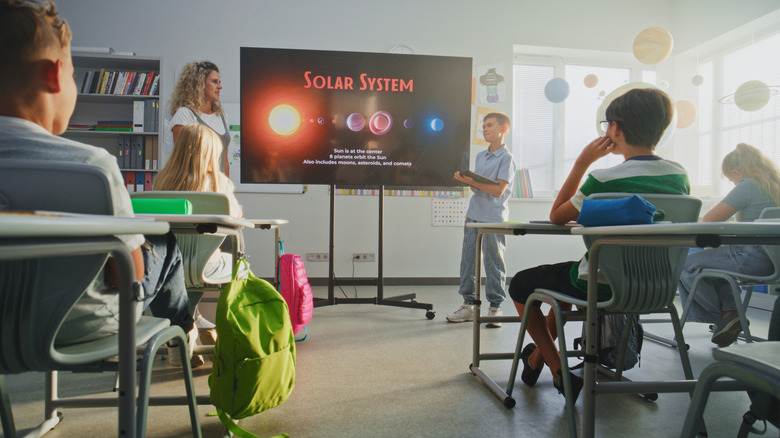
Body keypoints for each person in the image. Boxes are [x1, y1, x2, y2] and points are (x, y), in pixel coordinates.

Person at [0, 0, 196, 362]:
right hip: (78, 326)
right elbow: (129, 276)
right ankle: (185, 332)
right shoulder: (92, 166)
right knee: (164, 245)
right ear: (53, 75)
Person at [508, 88, 689, 402]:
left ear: (615, 128)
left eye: (608, 125)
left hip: (602, 286)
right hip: (655, 287)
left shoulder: (602, 179)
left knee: (523, 283)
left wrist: (581, 162)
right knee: (557, 290)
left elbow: (556, 215)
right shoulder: (679, 176)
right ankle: (536, 357)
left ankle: (557, 369)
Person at [678, 143, 780, 347]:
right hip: (774, 261)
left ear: (736, 172)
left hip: (754, 258)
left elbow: (709, 221)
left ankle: (729, 316)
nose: (733, 183)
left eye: (731, 179)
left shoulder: (749, 185)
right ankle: (729, 313)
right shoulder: (774, 184)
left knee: (686, 265)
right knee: (714, 264)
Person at [447, 112, 517, 327]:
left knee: (493, 262)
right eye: (483, 126)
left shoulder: (507, 158)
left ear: (503, 129)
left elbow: (498, 190)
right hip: (473, 215)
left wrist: (477, 184)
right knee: (468, 261)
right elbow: (477, 187)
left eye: (489, 125)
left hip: (493, 218)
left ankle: (495, 308)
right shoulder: (479, 156)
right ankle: (468, 306)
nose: (484, 129)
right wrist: (467, 181)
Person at [168, 61, 230, 176]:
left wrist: (227, 190)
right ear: (200, 84)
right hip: (195, 189)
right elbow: (181, 163)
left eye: (219, 82)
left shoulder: (221, 115)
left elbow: (225, 162)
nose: (220, 86)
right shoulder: (185, 114)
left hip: (218, 188)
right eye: (214, 82)